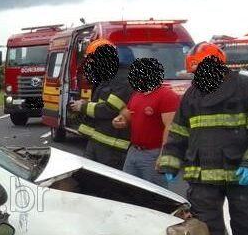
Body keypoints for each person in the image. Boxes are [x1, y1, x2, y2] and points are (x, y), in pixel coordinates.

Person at [158, 42, 248, 235]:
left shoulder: (247, 88)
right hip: (202, 175)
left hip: (239, 174)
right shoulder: (192, 94)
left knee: (246, 225)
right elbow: (179, 132)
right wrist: (170, 161)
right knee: (207, 229)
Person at [69, 39, 134, 170]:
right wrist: (86, 104)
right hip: (96, 141)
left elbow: (110, 109)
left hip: (113, 147)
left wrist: (82, 107)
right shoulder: (108, 77)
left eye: (93, 61)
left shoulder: (125, 79)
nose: (91, 64)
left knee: (109, 186)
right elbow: (100, 103)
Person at [115, 58, 180, 187]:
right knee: (127, 189)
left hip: (152, 155)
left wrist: (164, 155)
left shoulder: (167, 96)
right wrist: (120, 119)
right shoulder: (137, 94)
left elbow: (171, 127)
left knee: (154, 194)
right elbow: (127, 114)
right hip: (133, 151)